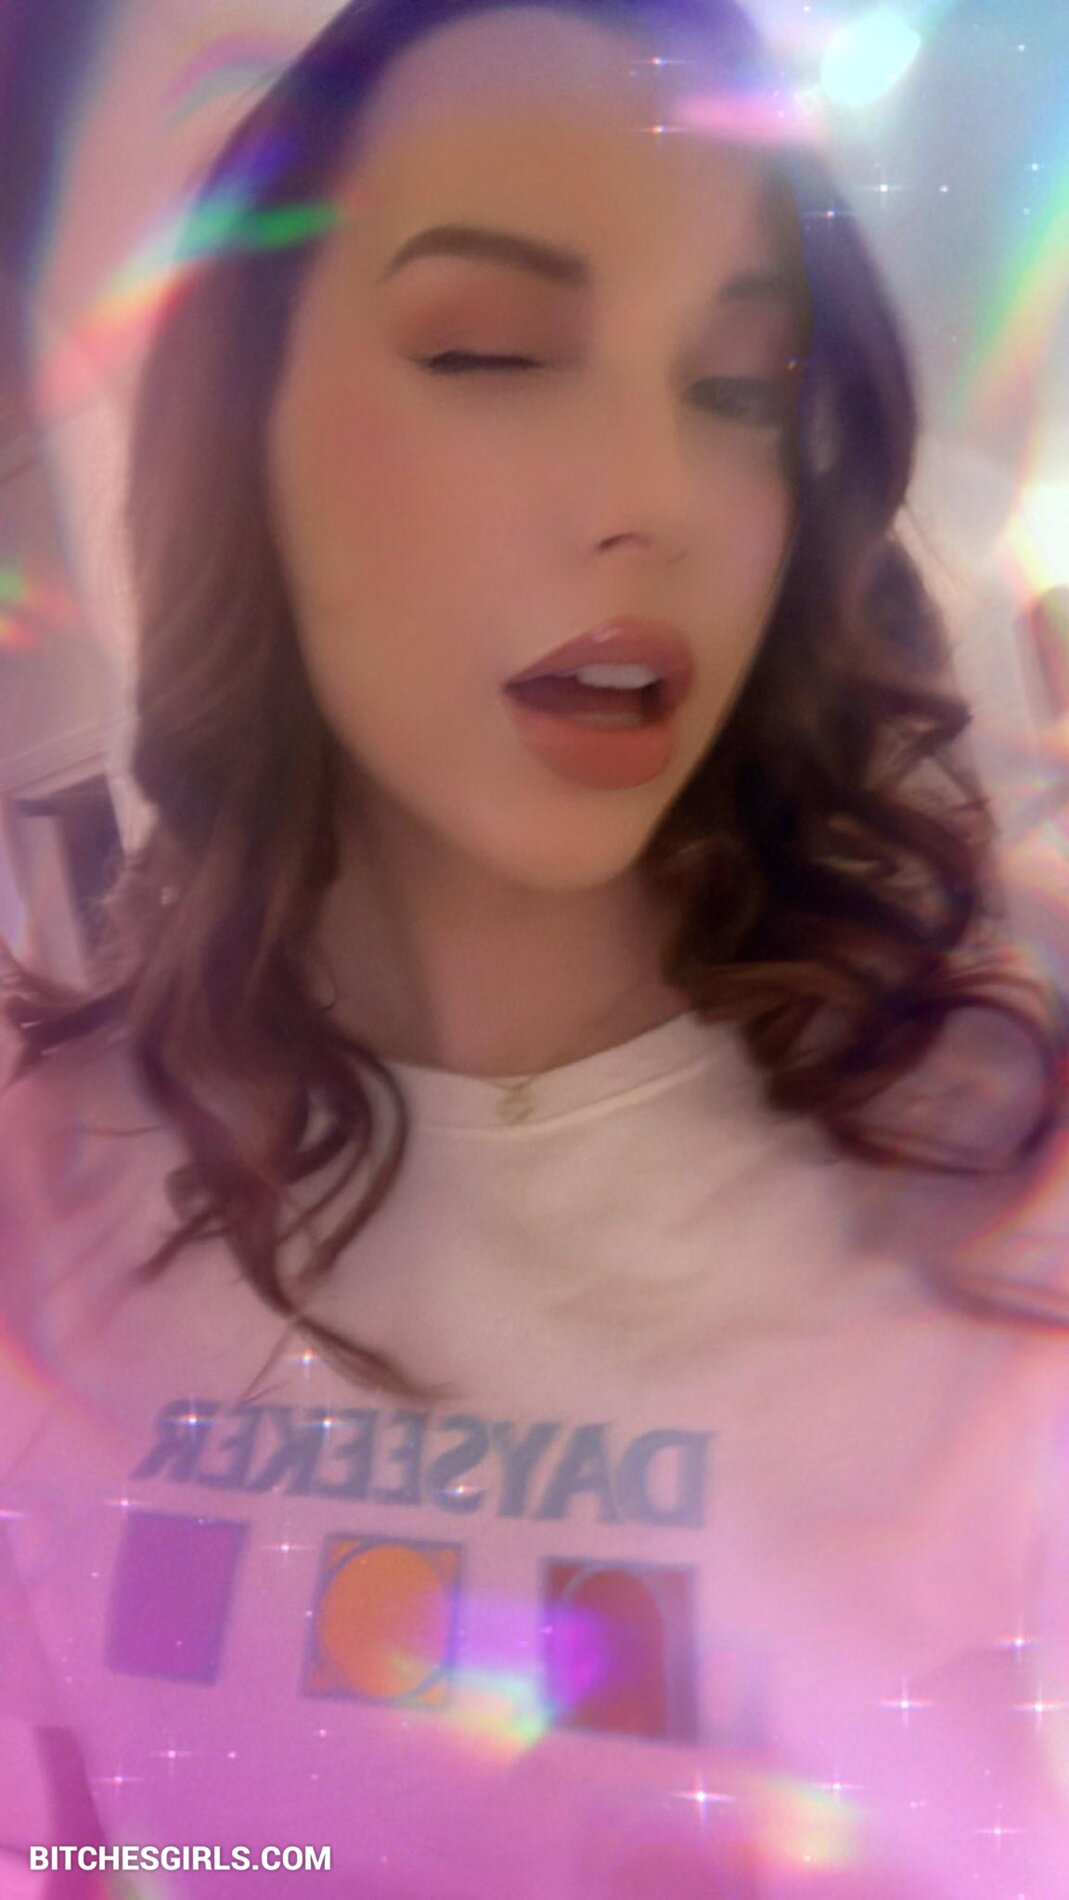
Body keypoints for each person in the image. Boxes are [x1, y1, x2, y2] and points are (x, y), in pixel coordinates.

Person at [2, 1, 1069, 1894]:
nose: (649, 498)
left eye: (737, 388)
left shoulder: (1007, 1190)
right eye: (486, 352)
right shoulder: (38, 1186)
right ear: (245, 444)